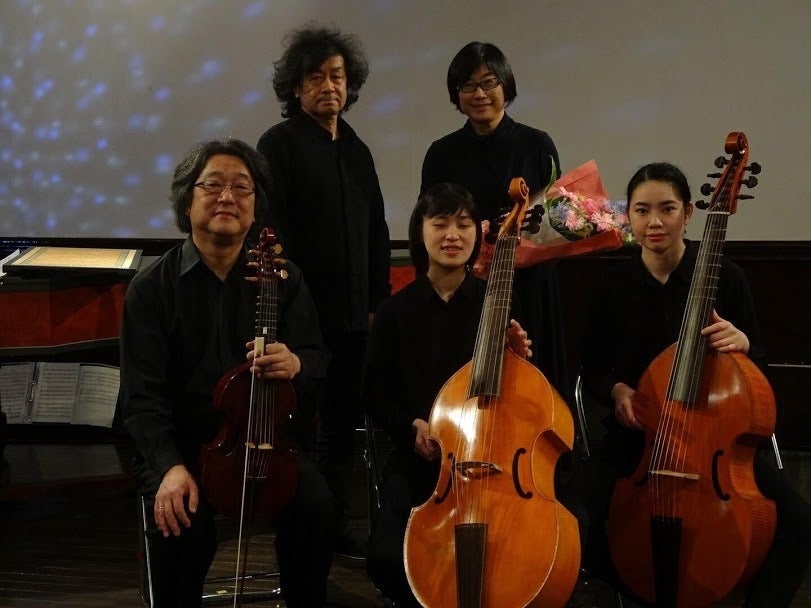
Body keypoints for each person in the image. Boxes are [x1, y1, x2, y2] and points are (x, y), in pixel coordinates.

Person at [577, 162, 811, 607]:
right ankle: (637, 589)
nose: (655, 222)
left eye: (667, 209)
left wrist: (743, 343)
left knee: (798, 523)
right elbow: (592, 366)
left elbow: (759, 365)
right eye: (642, 210)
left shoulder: (727, 276)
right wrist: (618, 391)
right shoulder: (612, 285)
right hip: (643, 436)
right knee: (574, 512)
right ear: (629, 217)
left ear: (688, 212)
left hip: (719, 437)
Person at [119, 138, 335, 607]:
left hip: (266, 444)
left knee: (316, 507)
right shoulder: (152, 289)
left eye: (242, 187)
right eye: (213, 185)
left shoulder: (284, 279)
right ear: (187, 200)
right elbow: (141, 398)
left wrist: (296, 363)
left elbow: (318, 358)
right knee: (182, 523)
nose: (227, 197)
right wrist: (169, 468)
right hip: (183, 448)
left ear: (256, 207)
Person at [256, 23, 391, 558]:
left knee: (341, 427)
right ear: (296, 87)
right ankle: (302, 530)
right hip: (303, 324)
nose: (328, 86)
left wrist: (377, 304)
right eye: (315, 77)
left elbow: (377, 231)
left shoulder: (357, 149)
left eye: (337, 76)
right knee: (302, 430)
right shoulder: (278, 145)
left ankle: (334, 526)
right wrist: (293, 311)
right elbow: (276, 236)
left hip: (355, 320)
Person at [363, 182, 532, 607]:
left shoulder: (498, 303)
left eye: (463, 224)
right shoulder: (394, 312)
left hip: (493, 457)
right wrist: (411, 427)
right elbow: (373, 393)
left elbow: (526, 396)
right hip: (423, 460)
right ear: (420, 232)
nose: (452, 235)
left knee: (522, 550)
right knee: (387, 557)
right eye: (440, 224)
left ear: (478, 233)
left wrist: (519, 359)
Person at [420, 41, 568, 396]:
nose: (479, 94)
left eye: (489, 83)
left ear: (506, 86)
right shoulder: (441, 154)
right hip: (467, 286)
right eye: (468, 86)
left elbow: (557, 219)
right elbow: (429, 222)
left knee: (531, 386)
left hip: (529, 285)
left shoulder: (537, 144)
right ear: (457, 94)